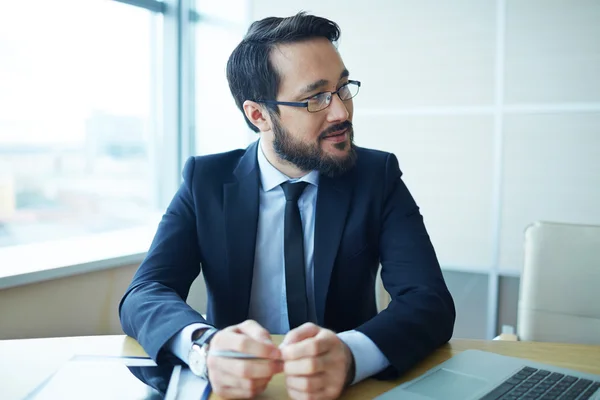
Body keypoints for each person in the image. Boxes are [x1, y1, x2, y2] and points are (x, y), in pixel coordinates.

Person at [119, 12, 455, 400]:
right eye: (315, 98)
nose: (341, 112)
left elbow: (428, 302)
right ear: (259, 115)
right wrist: (205, 348)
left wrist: (351, 354)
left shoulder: (376, 176)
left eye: (343, 88)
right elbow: (145, 292)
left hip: (345, 391)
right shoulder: (207, 182)